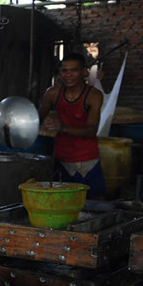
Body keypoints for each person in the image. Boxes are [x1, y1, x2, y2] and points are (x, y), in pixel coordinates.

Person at [38, 52, 106, 199]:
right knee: (60, 204)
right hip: (61, 159)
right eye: (64, 70)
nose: (68, 75)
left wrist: (62, 127)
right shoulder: (52, 94)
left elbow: (91, 130)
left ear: (83, 72)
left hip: (87, 161)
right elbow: (36, 120)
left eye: (73, 70)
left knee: (91, 205)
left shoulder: (93, 96)